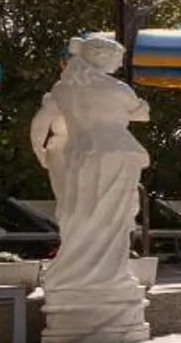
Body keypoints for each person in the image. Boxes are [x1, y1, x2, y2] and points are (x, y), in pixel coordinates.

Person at [30, 34, 150, 300]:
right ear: (102, 57)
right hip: (117, 152)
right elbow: (142, 113)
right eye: (118, 60)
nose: (119, 66)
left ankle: (75, 274)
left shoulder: (62, 90)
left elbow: (39, 125)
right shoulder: (117, 89)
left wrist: (40, 151)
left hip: (79, 154)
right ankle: (110, 277)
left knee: (78, 215)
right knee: (113, 218)